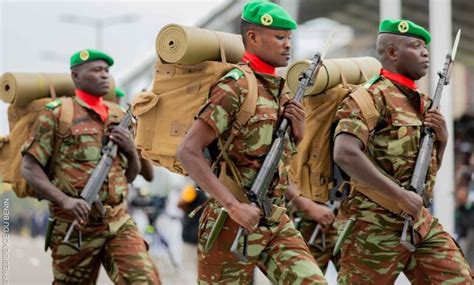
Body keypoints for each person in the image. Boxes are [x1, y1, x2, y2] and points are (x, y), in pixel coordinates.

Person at [177, 1, 327, 284]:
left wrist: (298, 132)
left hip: (274, 217)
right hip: (229, 220)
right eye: (280, 37)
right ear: (253, 38)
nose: (287, 45)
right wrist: (233, 206)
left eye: (289, 38)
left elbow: (274, 163)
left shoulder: (280, 90)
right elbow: (188, 151)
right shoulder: (234, 86)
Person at [333, 19, 472, 284]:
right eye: (415, 45)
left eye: (425, 47)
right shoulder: (369, 97)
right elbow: (345, 153)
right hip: (372, 226)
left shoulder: (424, 103)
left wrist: (442, 140)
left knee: (459, 279)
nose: (425, 52)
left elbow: (424, 171)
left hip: (418, 222)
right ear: (393, 53)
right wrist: (398, 195)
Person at [21, 49, 161, 284]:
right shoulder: (57, 114)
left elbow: (131, 176)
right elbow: (29, 167)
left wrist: (131, 151)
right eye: (96, 70)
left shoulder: (119, 115)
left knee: (145, 280)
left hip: (118, 221)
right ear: (76, 77)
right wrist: (65, 201)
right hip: (75, 225)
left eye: (107, 70)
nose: (104, 75)